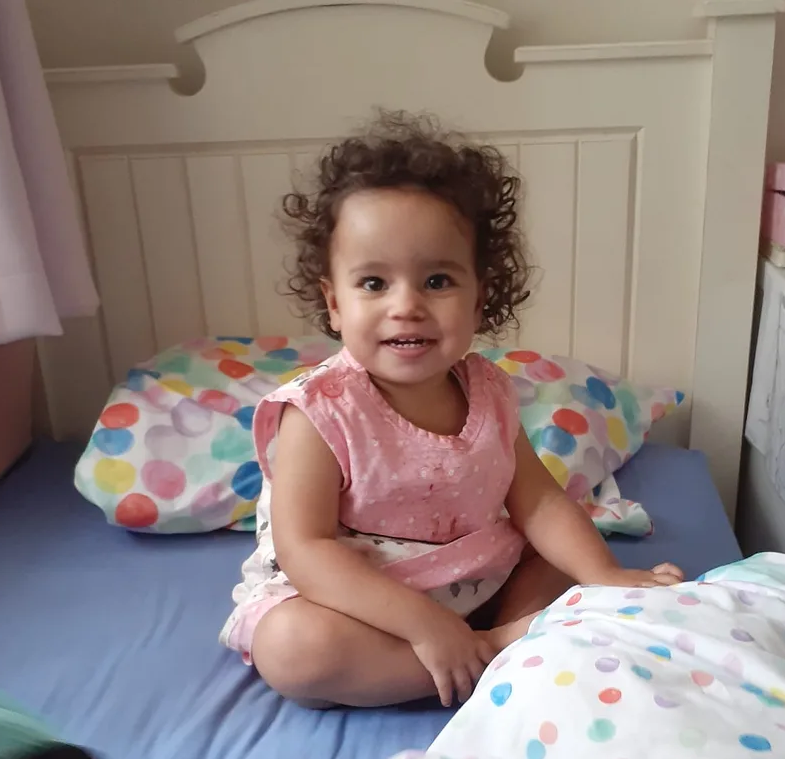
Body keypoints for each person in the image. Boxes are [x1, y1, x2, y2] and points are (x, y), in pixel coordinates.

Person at [220, 112, 683, 708]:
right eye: (373, 284)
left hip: (475, 578)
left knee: (565, 554)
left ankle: (499, 637)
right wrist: (424, 624)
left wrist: (608, 577)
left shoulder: (488, 390)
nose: (407, 305)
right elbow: (306, 551)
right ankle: (500, 653)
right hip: (362, 603)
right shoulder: (317, 413)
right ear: (334, 304)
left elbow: (538, 500)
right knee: (293, 649)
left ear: (479, 297)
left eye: (437, 280)